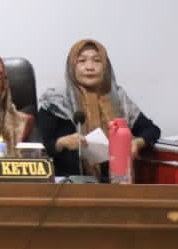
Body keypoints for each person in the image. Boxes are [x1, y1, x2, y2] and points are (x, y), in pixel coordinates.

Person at [37, 39, 162, 178]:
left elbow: (152, 130)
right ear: (72, 67)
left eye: (97, 61)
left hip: (114, 181)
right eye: (82, 61)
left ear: (105, 67)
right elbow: (38, 146)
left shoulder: (118, 98)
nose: (90, 67)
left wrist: (137, 143)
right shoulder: (56, 100)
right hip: (68, 182)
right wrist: (61, 143)